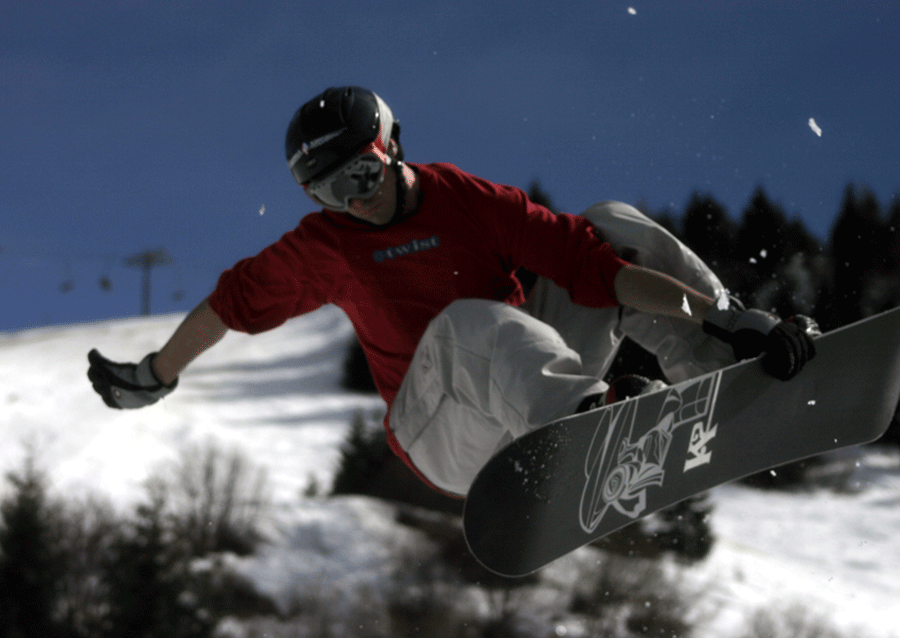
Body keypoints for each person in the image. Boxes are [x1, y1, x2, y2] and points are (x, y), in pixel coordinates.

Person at [88, 86, 816, 497]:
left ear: (392, 145)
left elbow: (604, 274)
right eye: (329, 191)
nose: (354, 201)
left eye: (362, 175)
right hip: (439, 432)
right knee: (471, 322)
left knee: (611, 228)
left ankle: (731, 371)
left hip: (527, 387)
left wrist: (722, 315)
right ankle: (593, 431)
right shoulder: (325, 245)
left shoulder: (465, 200)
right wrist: (155, 375)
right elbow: (228, 305)